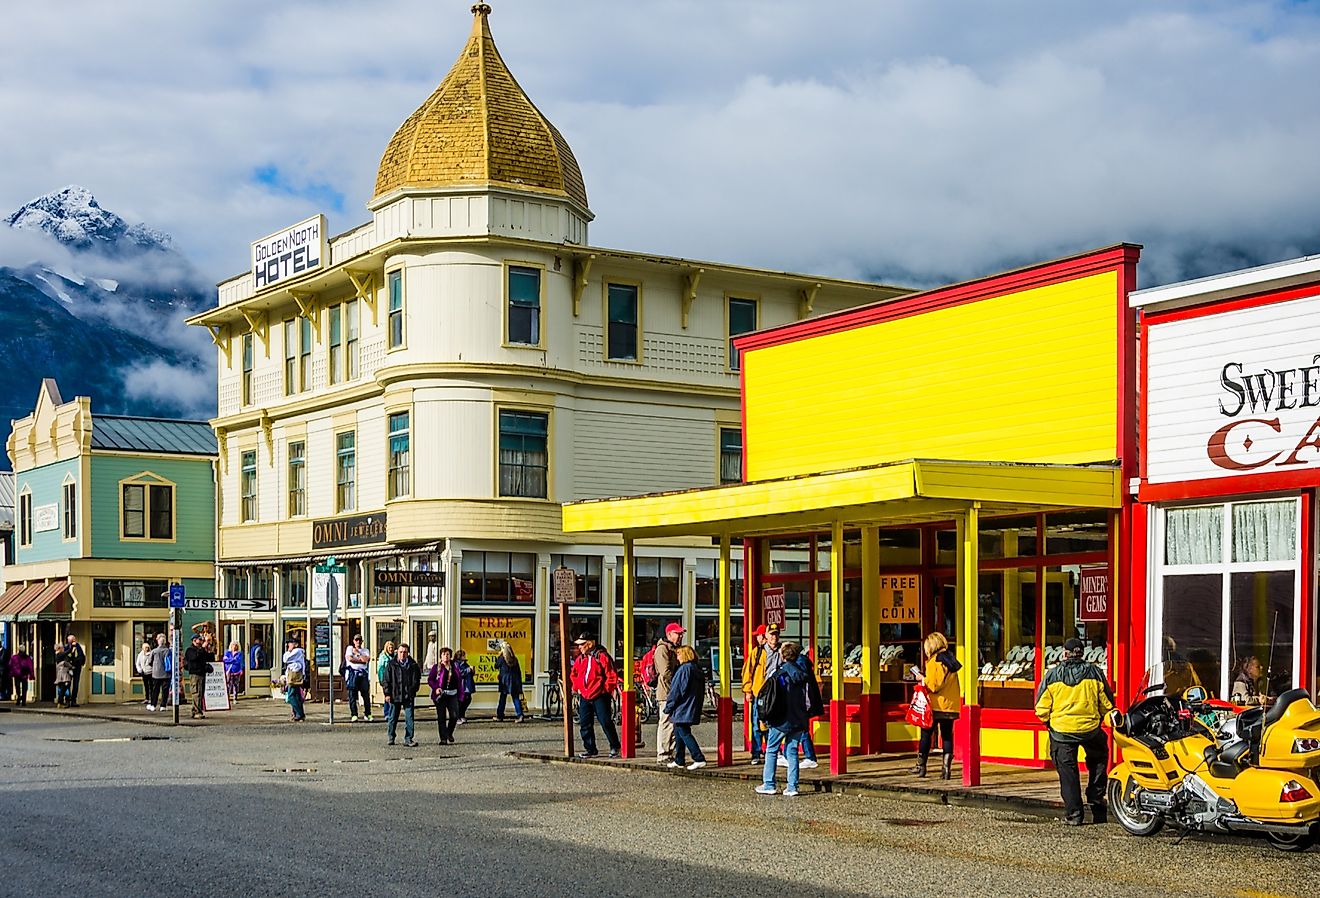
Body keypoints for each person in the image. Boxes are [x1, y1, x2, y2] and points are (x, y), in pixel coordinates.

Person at [1035, 637, 1115, 825]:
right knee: (1099, 759)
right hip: (1090, 729)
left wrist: (1049, 723)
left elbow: (1041, 709)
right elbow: (1107, 704)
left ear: (1064, 653)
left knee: (1068, 773)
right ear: (1082, 653)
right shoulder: (1095, 673)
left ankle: (1074, 815)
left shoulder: (1052, 675)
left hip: (1061, 731)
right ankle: (1096, 802)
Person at [756, 640, 810, 797]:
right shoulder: (802, 674)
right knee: (792, 751)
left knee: (772, 749)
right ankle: (792, 787)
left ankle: (769, 784)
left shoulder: (778, 674)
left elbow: (769, 697)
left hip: (781, 719)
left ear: (782, 656)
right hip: (798, 718)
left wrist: (765, 716)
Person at [910, 632, 963, 780]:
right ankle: (946, 769)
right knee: (947, 736)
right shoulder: (951, 659)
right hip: (950, 705)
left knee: (926, 735)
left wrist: (922, 678)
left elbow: (934, 685)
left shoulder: (935, 661)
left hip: (936, 705)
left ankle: (921, 766)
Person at [569, 633, 622, 758]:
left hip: (600, 695)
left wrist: (606, 690)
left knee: (605, 722)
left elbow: (611, 674)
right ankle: (590, 749)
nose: (579, 647)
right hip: (585, 695)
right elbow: (574, 674)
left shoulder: (602, 656)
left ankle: (615, 746)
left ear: (590, 644)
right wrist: (578, 687)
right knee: (585, 724)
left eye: (582, 644)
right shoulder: (581, 658)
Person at [663, 645, 707, 770]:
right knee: (678, 732)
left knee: (683, 732)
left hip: (682, 706)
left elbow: (676, 690)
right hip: (691, 705)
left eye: (678, 654)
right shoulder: (696, 669)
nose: (677, 657)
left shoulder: (684, 669)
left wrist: (669, 707)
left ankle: (698, 757)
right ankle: (679, 759)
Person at [653, 622, 684, 766]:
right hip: (666, 692)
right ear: (669, 634)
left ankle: (669, 752)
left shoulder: (673, 649)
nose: (680, 636)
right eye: (678, 633)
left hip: (672, 691)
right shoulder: (662, 649)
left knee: (673, 724)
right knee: (666, 722)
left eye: (681, 634)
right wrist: (677, 685)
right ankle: (663, 754)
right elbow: (665, 672)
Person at [382, 642, 421, 747]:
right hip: (395, 694)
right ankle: (391, 737)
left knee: (409, 718)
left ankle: (408, 739)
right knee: (392, 718)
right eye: (400, 652)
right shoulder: (391, 664)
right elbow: (386, 680)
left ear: (408, 653)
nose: (402, 654)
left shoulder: (413, 665)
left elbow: (417, 679)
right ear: (397, 652)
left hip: (408, 695)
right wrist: (387, 694)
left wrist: (413, 690)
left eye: (405, 652)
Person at [741, 625, 768, 763]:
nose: (757, 638)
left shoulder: (772, 652)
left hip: (767, 694)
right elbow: (748, 672)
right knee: (757, 724)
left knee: (767, 724)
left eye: (758, 635)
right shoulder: (756, 652)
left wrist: (748, 690)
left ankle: (769, 751)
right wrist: (748, 690)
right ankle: (757, 752)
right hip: (758, 693)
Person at [428, 646, 465, 745]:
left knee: (454, 716)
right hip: (441, 695)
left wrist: (461, 694)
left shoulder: (455, 667)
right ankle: (443, 738)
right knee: (441, 717)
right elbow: (430, 680)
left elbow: (459, 681)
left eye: (448, 654)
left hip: (453, 694)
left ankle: (449, 733)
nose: (446, 656)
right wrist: (436, 688)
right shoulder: (437, 667)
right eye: (444, 654)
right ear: (441, 656)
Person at [184, 633, 214, 719]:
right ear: (194, 640)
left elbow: (210, 658)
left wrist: (210, 649)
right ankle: (197, 711)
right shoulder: (190, 650)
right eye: (200, 640)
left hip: (202, 673)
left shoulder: (201, 650)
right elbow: (194, 657)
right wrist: (202, 649)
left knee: (201, 693)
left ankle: (195, 710)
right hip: (195, 674)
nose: (201, 641)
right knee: (196, 693)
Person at [344, 634, 372, 721]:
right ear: (353, 641)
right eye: (356, 640)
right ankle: (354, 715)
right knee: (352, 695)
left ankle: (368, 714)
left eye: (359, 640)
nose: (358, 642)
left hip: (363, 674)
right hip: (353, 674)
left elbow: (366, 660)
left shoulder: (365, 650)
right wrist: (360, 660)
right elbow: (350, 659)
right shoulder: (349, 648)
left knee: (365, 695)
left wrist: (357, 653)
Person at [495, 642, 525, 722]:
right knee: (515, 698)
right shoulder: (514, 659)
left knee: (502, 698)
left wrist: (499, 656)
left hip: (505, 681)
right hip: (514, 680)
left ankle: (500, 715)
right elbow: (518, 671)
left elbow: (496, 666)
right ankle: (520, 715)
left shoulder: (502, 659)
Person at [282, 638, 308, 722]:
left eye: (290, 643)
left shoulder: (297, 651)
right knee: (296, 696)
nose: (288, 645)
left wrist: (288, 651)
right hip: (293, 674)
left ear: (296, 644)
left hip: (294, 675)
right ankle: (298, 714)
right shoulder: (296, 652)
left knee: (291, 696)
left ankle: (300, 714)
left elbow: (286, 659)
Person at [148, 633, 171, 711]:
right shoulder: (168, 651)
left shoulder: (154, 651)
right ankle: (163, 706)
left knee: (155, 690)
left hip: (156, 673)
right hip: (166, 673)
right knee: (165, 691)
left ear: (158, 642)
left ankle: (153, 705)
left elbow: (149, 662)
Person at [63, 634, 86, 707]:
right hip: (69, 667)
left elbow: (82, 655)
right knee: (67, 684)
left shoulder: (78, 646)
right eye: (71, 640)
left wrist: (81, 663)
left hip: (77, 667)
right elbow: (66, 656)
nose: (73, 641)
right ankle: (67, 700)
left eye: (74, 639)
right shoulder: (67, 647)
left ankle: (73, 700)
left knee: (76, 684)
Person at [454, 649, 476, 724]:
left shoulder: (465, 663)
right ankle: (458, 716)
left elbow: (469, 673)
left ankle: (462, 715)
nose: (465, 656)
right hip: (462, 685)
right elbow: (459, 673)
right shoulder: (456, 664)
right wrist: (469, 670)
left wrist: (472, 671)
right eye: (463, 655)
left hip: (467, 685)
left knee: (468, 699)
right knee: (461, 701)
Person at [377, 641, 396, 723]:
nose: (391, 649)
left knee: (393, 697)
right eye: (389, 648)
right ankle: (387, 713)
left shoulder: (395, 656)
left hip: (394, 680)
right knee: (387, 696)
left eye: (392, 648)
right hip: (386, 680)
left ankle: (392, 713)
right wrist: (381, 680)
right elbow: (380, 669)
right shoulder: (383, 657)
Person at [53, 641, 73, 708]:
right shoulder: (60, 655)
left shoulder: (57, 655)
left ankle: (61, 702)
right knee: (63, 689)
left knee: (62, 688)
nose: (63, 649)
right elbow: (67, 652)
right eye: (62, 648)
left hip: (60, 674)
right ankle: (60, 702)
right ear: (59, 649)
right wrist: (72, 646)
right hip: (64, 675)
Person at [135, 639, 154, 707]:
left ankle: (152, 698)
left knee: (151, 686)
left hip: (151, 672)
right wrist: (140, 670)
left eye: (147, 647)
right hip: (144, 672)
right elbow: (138, 663)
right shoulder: (140, 655)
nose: (147, 649)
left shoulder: (151, 654)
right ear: (143, 648)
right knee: (146, 686)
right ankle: (147, 698)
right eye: (145, 647)